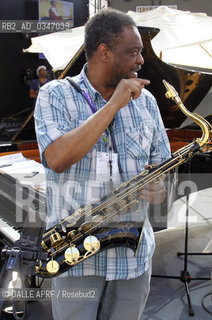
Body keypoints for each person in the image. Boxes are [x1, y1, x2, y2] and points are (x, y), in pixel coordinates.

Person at [34, 8, 171, 320]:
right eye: (133, 51)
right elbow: (56, 159)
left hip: (133, 258)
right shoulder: (54, 95)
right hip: (77, 259)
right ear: (104, 52)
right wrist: (113, 105)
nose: (141, 60)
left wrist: (160, 188)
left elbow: (160, 164)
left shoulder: (147, 101)